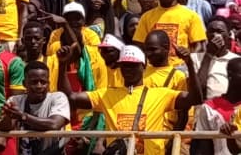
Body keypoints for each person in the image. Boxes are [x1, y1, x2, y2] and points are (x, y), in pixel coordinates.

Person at [58, 44, 201, 155]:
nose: (128, 69)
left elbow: (195, 98)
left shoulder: (161, 94)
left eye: (133, 65)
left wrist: (189, 64)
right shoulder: (106, 94)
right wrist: (62, 64)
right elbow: (70, 98)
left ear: (143, 66)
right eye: (125, 65)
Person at [0, 61, 71, 155]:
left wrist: (23, 116)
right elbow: (5, 127)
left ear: (48, 83)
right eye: (34, 82)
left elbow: (54, 124)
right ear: (24, 83)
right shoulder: (15, 100)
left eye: (43, 82)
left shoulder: (58, 97)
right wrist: (8, 117)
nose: (39, 86)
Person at [134, 0, 208, 51]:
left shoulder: (191, 15)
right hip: (154, 62)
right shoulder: (146, 17)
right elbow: (139, 44)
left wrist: (188, 54)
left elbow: (199, 45)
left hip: (182, 62)